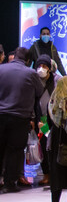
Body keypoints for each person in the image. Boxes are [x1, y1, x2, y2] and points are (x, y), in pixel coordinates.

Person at [0, 48, 44, 194]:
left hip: (1, 115)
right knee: (15, 151)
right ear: (28, 60)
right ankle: (9, 183)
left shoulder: (1, 69)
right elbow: (39, 92)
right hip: (20, 118)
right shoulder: (31, 73)